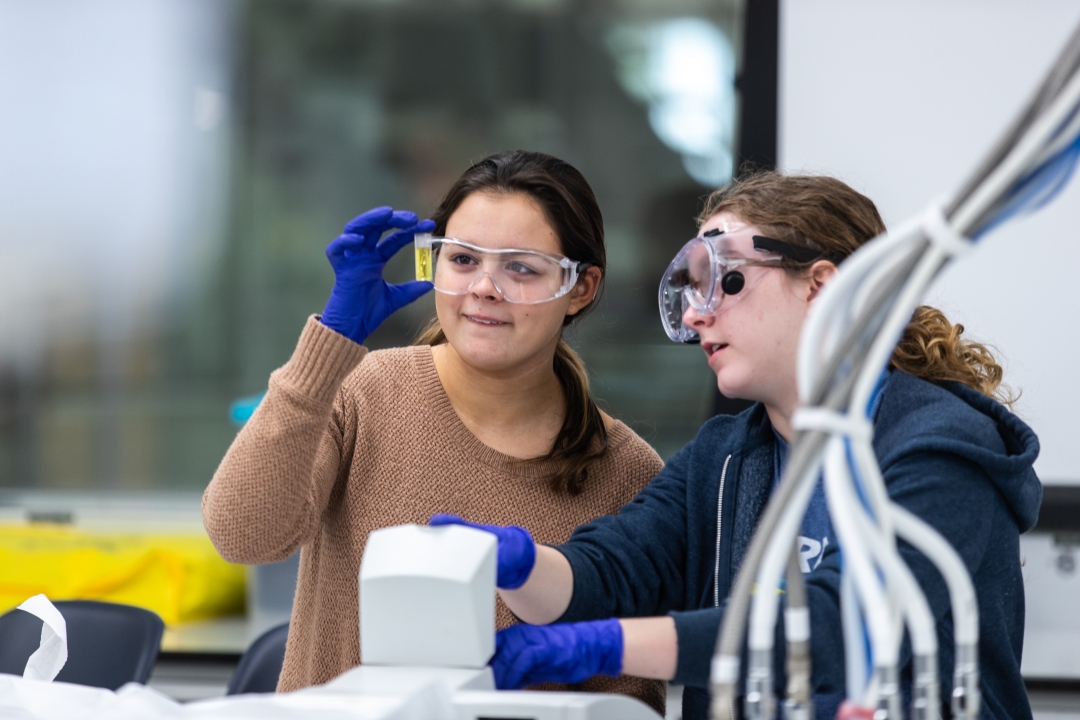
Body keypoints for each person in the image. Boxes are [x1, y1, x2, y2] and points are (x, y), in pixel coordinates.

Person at [436, 172, 1041, 720]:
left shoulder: (943, 447)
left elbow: (840, 626)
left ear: (821, 286)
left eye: (725, 281)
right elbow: (611, 570)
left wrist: (609, 644)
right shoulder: (725, 457)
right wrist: (518, 566)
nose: (698, 316)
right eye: (692, 292)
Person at [202, 150, 668, 713]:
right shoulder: (366, 390)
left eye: (521, 267)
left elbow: (627, 700)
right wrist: (327, 350)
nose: (485, 288)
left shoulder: (628, 473)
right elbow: (243, 534)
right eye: (463, 259)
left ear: (581, 287)